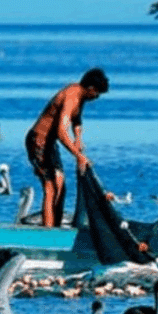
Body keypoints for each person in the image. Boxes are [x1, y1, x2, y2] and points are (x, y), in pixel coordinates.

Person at [25, 68, 109, 227]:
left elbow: (76, 120)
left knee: (61, 187)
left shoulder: (81, 95)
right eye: (97, 94)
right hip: (38, 142)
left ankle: (55, 228)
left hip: (50, 143)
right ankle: (48, 233)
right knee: (50, 188)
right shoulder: (71, 97)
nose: (96, 98)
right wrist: (78, 156)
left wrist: (78, 139)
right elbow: (62, 133)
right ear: (91, 88)